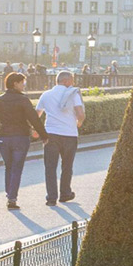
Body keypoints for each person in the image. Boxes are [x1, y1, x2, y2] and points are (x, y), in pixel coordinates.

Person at [0, 70, 43, 209]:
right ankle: (12, 198)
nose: (24, 85)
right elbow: (34, 118)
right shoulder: (23, 99)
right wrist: (44, 136)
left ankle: (9, 193)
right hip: (20, 137)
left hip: (3, 137)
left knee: (8, 166)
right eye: (22, 83)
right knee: (17, 167)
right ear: (15, 84)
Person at [36, 69, 85, 206]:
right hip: (70, 134)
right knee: (67, 166)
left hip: (50, 134)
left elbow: (37, 114)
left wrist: (36, 130)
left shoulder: (46, 95)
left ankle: (51, 198)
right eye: (72, 80)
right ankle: (65, 194)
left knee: (50, 167)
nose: (73, 83)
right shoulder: (73, 94)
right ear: (66, 81)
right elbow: (80, 114)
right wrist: (79, 123)